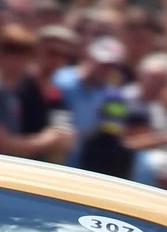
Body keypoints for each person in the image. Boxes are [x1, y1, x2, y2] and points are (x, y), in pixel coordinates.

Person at [0, 24, 71, 159]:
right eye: (9, 50)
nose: (16, 59)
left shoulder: (10, 90)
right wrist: (49, 139)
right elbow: (3, 145)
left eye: (22, 52)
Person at [53, 36, 125, 165]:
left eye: (111, 66)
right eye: (103, 64)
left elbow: (113, 133)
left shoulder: (114, 97)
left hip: (85, 162)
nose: (106, 69)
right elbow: (52, 112)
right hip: (53, 153)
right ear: (88, 57)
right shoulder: (61, 80)